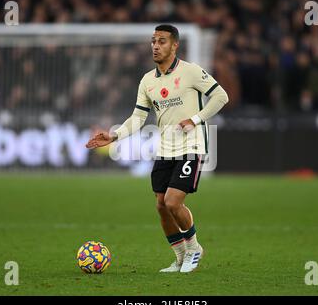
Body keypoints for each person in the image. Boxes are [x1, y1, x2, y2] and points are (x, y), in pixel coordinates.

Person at [86, 25, 228, 273]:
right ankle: (180, 256)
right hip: (165, 149)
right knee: (161, 205)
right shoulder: (148, 81)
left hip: (191, 145)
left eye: (162, 41)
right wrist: (114, 135)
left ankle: (194, 248)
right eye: (153, 41)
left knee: (173, 202)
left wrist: (195, 119)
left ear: (175, 45)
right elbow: (138, 118)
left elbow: (221, 97)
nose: (155, 46)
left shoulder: (191, 71)